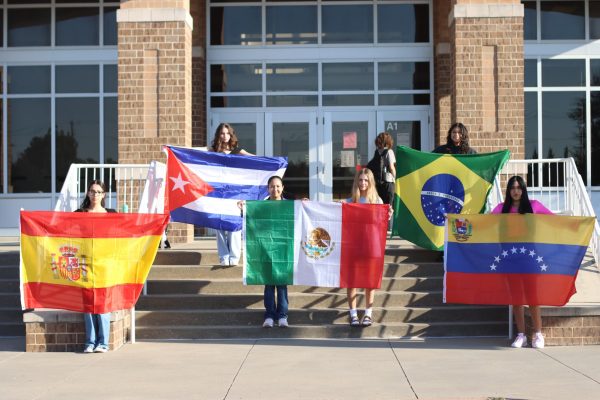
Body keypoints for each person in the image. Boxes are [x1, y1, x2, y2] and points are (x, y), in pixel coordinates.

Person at [491, 175, 553, 349]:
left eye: (519, 187)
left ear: (523, 189)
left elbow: (555, 220)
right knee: (517, 299)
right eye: (512, 188)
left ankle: (538, 334)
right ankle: (521, 335)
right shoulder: (501, 209)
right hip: (510, 259)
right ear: (508, 191)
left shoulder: (534, 206)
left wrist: (579, 224)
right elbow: (482, 223)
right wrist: (453, 220)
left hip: (530, 258)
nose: (515, 191)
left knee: (533, 297)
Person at [239, 176, 289, 328]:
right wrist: (244, 209)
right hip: (266, 250)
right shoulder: (261, 206)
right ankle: (269, 315)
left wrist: (304, 204)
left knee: (281, 284)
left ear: (282, 188)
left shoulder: (289, 205)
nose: (275, 189)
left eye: (278, 186)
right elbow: (250, 218)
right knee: (268, 285)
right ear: (268, 189)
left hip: (283, 251)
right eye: (272, 186)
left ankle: (282, 316)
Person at [345, 168, 392, 327]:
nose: (363, 183)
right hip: (353, 245)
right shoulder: (351, 200)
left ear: (370, 182)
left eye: (366, 180)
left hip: (371, 245)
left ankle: (368, 313)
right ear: (356, 182)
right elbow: (335, 209)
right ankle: (352, 313)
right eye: (360, 180)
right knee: (352, 280)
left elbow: (381, 221)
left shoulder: (376, 201)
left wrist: (388, 214)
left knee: (369, 280)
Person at [76, 180, 116, 353]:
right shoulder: (79, 213)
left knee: (102, 302)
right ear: (87, 193)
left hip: (105, 263)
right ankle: (90, 342)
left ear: (104, 194)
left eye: (99, 192)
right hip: (85, 262)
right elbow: (63, 228)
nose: (95, 194)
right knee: (88, 303)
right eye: (92, 191)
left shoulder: (111, 214)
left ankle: (103, 343)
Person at [210, 123, 253, 266]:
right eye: (222, 133)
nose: (225, 136)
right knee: (219, 225)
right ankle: (224, 257)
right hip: (218, 194)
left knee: (234, 225)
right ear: (218, 135)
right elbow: (195, 153)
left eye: (227, 133)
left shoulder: (237, 151)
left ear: (231, 135)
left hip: (234, 194)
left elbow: (254, 158)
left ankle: (234, 258)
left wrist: (273, 161)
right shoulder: (213, 151)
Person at [373, 132, 396, 205]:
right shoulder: (389, 151)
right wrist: (395, 178)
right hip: (388, 183)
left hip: (379, 184)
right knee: (389, 206)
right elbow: (392, 168)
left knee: (381, 205)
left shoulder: (377, 152)